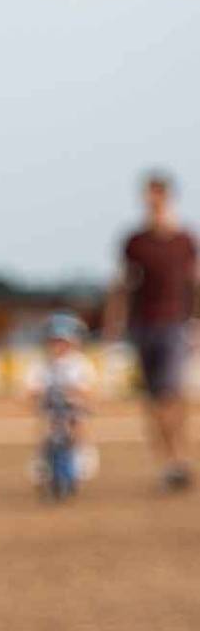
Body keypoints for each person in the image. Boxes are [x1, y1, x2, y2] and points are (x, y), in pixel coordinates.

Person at [105, 170, 197, 490]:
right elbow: (122, 285)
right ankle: (168, 463)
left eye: (155, 194)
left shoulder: (185, 240)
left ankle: (180, 459)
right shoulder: (135, 242)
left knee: (172, 395)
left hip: (175, 324)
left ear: (167, 197)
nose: (150, 200)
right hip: (143, 326)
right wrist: (112, 326)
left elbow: (194, 284)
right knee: (152, 400)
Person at [26, 311, 96, 489]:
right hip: (50, 406)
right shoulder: (40, 364)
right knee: (44, 425)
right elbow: (32, 390)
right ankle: (42, 457)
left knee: (78, 422)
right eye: (54, 341)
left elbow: (87, 390)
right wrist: (37, 398)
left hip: (72, 407)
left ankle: (81, 452)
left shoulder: (80, 364)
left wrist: (77, 397)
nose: (58, 347)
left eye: (63, 342)